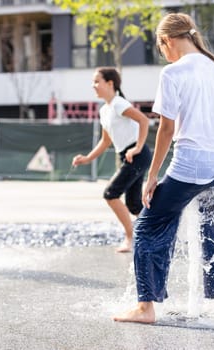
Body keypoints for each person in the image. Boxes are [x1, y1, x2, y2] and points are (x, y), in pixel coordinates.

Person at [113, 13, 214, 324]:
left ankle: (145, 307)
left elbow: (166, 129)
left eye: (160, 46)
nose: (162, 53)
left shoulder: (173, 72)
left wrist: (151, 177)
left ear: (167, 41)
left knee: (149, 226)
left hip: (192, 165)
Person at [72, 67, 151, 253]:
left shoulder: (118, 103)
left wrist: (137, 147)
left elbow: (143, 120)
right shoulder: (104, 110)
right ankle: (157, 232)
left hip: (137, 155)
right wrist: (87, 158)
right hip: (128, 155)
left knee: (111, 194)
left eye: (97, 81)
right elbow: (106, 140)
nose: (94, 86)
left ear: (110, 83)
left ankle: (131, 237)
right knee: (134, 205)